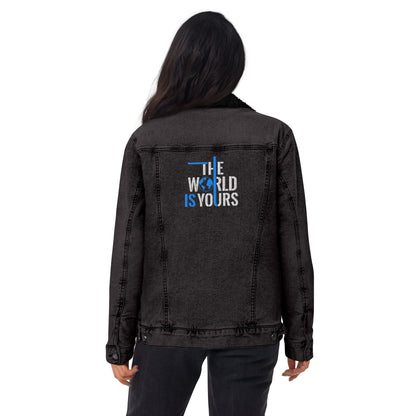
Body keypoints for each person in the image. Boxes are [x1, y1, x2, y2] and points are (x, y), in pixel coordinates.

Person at [105, 10, 314, 416]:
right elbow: (294, 244)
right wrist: (300, 337)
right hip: (252, 328)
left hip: (164, 330)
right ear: (235, 67)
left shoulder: (147, 140)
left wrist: (119, 340)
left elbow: (128, 248)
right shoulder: (273, 136)